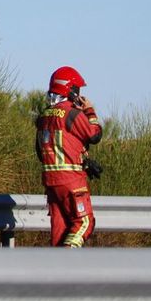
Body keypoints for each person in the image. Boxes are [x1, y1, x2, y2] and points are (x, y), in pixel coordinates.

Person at [34, 65, 104, 247]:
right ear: (70, 90)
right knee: (84, 222)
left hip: (51, 184)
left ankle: (57, 271)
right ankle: (67, 256)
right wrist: (89, 111)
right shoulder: (72, 114)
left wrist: (84, 160)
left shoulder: (43, 117)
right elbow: (94, 134)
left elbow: (42, 151)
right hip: (71, 181)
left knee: (60, 231)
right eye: (77, 90)